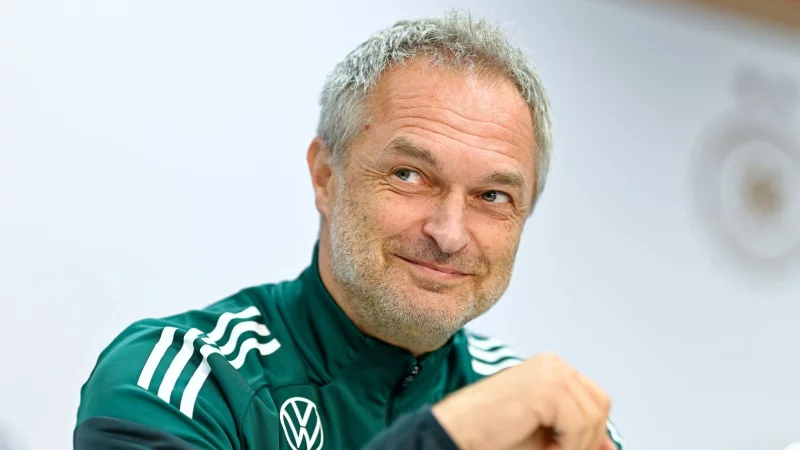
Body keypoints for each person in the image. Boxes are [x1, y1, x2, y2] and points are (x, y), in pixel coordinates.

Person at [75, 10, 626, 450]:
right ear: (325, 176)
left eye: (492, 196)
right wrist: (453, 436)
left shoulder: (544, 420)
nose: (450, 233)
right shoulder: (186, 378)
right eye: (409, 175)